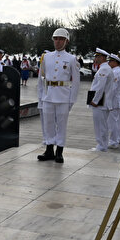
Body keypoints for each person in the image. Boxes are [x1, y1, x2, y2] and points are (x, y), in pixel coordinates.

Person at [36, 28, 80, 163]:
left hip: (63, 96)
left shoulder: (71, 59)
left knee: (61, 125)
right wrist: (41, 97)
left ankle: (59, 151)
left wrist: (71, 100)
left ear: (66, 41)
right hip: (48, 95)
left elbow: (76, 81)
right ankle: (49, 150)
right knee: (48, 123)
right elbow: (41, 79)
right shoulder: (46, 57)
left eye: (61, 39)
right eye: (56, 39)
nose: (58, 41)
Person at [88, 49, 113, 152]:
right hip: (101, 102)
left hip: (101, 102)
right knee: (101, 124)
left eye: (97, 57)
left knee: (100, 125)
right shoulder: (104, 68)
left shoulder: (104, 69)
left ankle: (101, 146)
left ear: (102, 57)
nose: (95, 59)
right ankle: (101, 145)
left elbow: (100, 87)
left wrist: (95, 100)